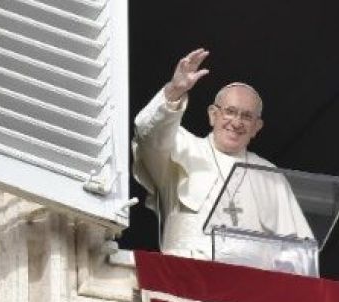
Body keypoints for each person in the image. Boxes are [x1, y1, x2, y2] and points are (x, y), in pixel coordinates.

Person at [132, 48, 315, 271]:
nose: (237, 122)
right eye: (230, 111)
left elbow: (299, 249)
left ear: (256, 128)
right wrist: (174, 92)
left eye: (246, 116)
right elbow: (148, 134)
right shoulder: (182, 148)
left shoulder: (270, 175)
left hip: (251, 291)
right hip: (186, 277)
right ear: (213, 114)